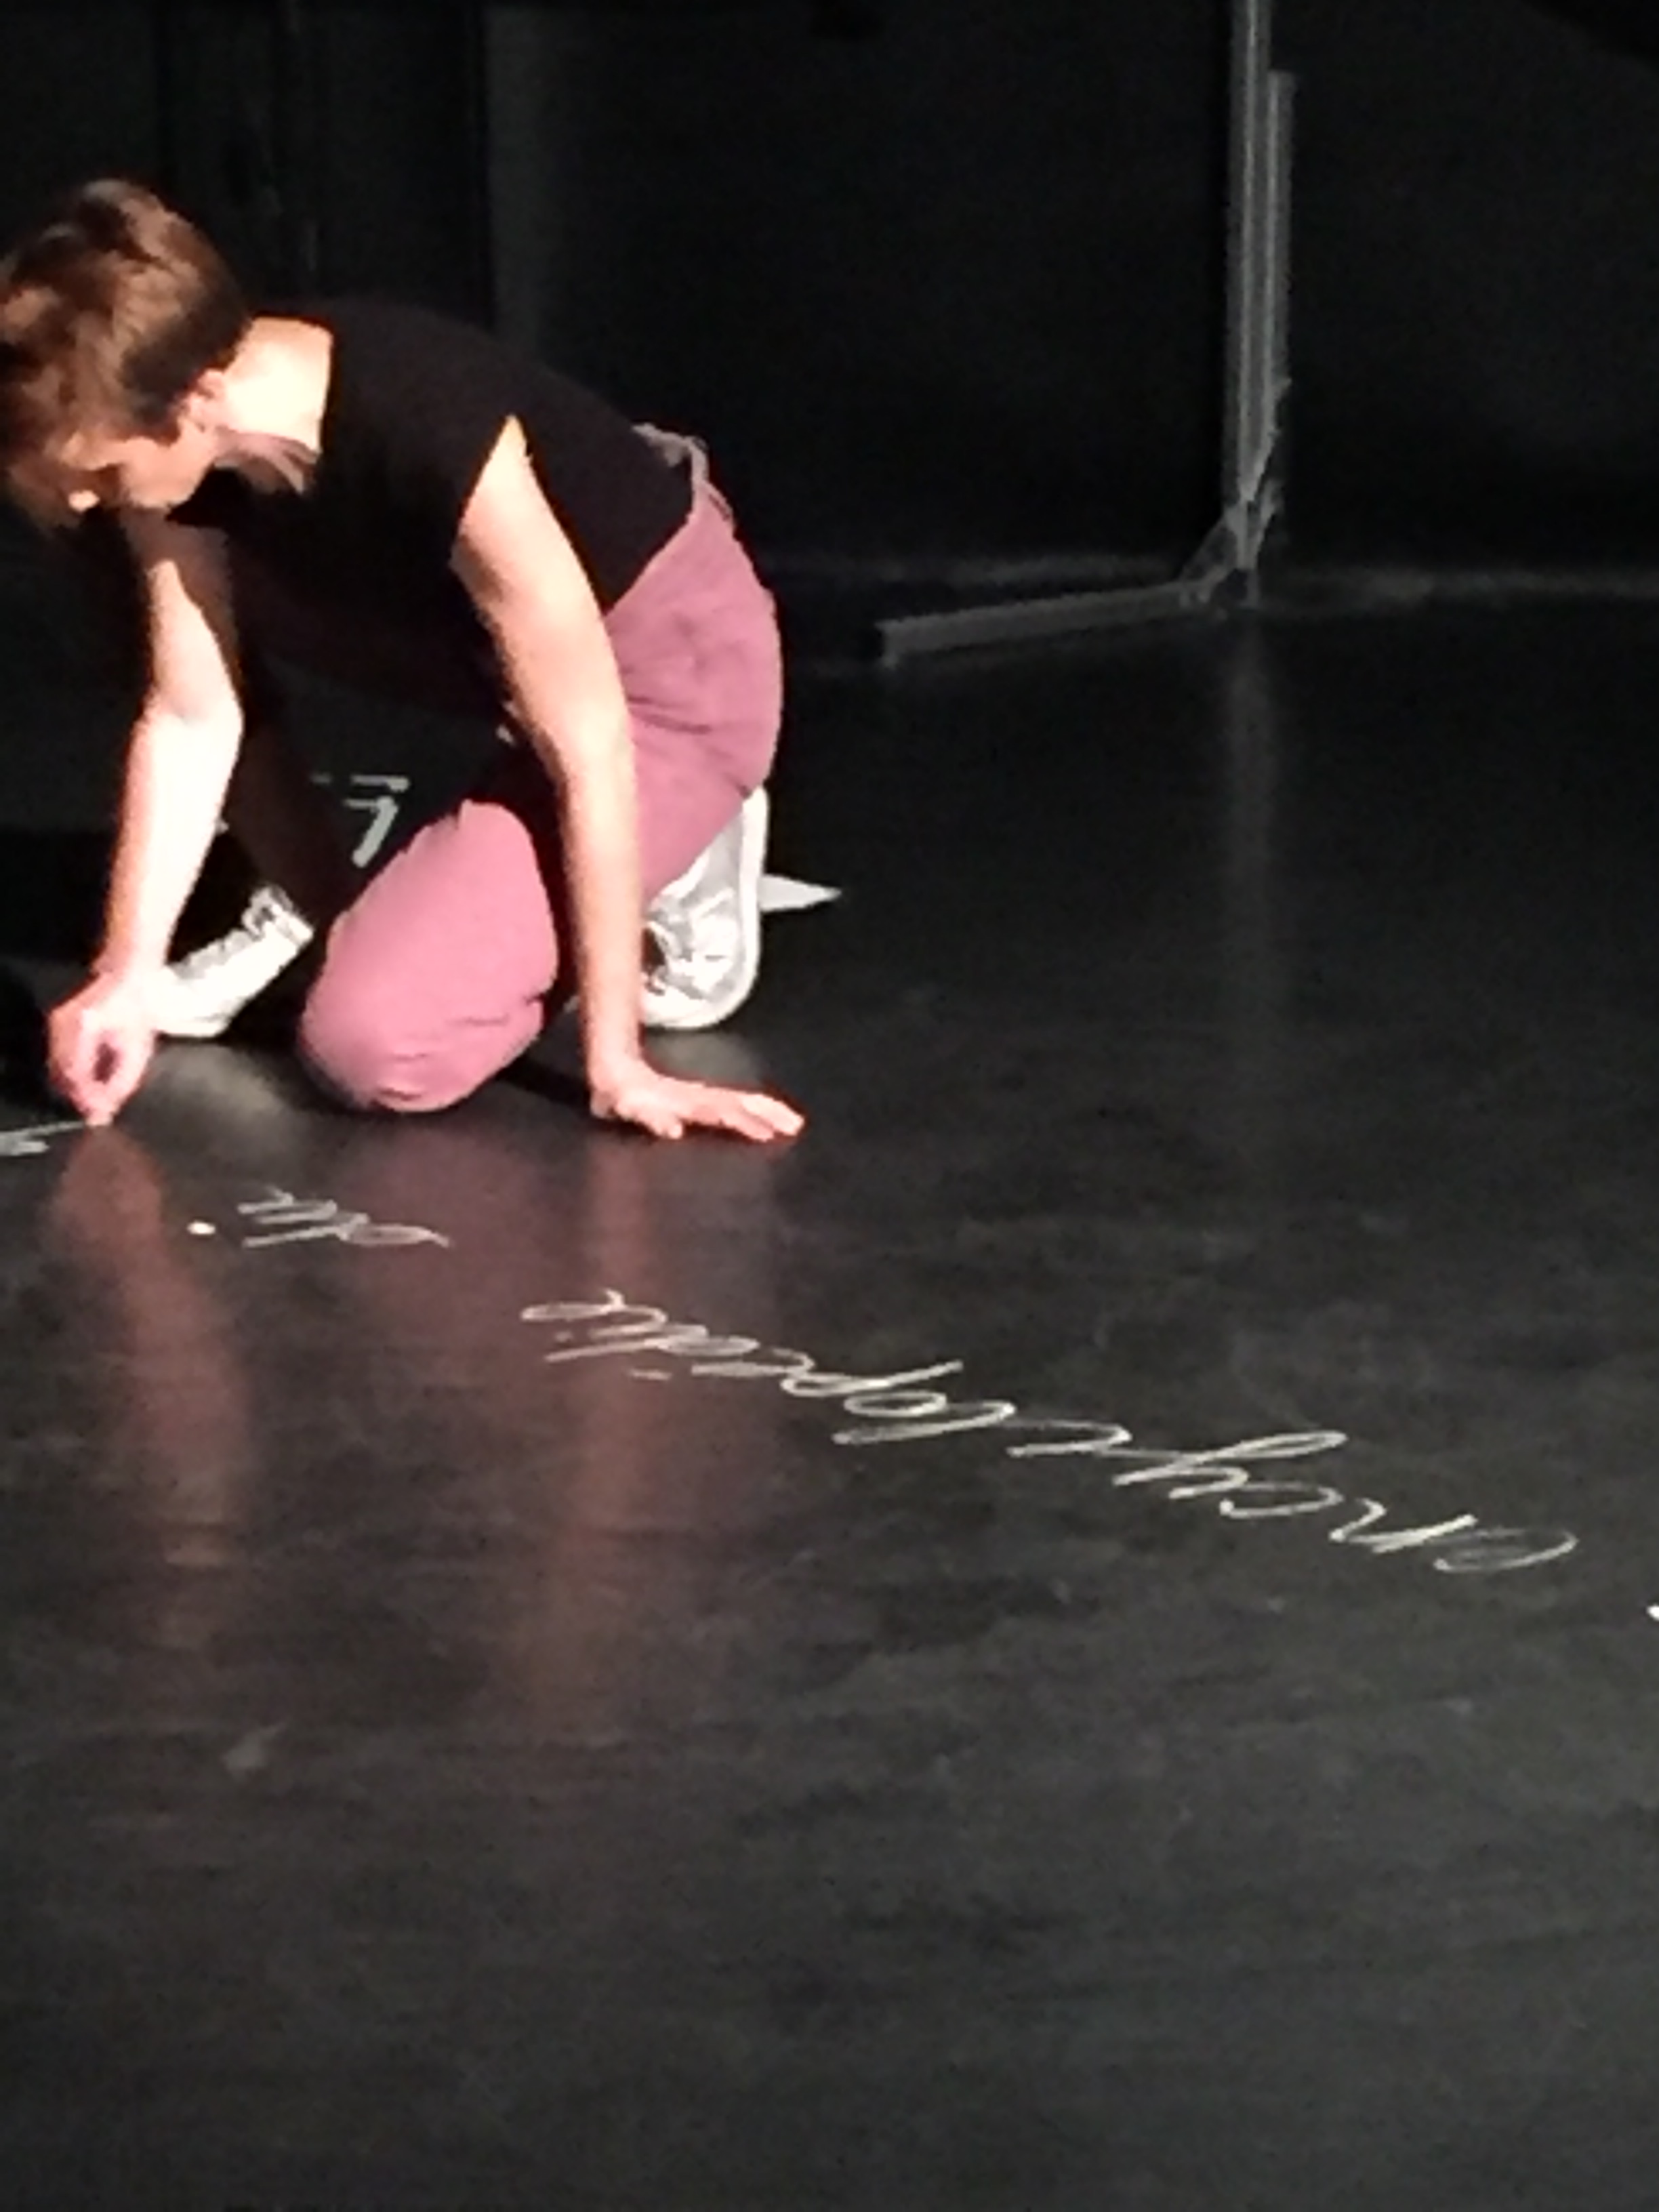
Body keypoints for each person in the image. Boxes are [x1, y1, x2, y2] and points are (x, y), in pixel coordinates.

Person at [0, 179, 804, 1144]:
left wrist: (617, 1062)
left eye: (103, 471)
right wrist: (125, 975)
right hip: (470, 644)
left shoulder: (428, 419)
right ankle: (352, 917)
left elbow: (591, 740)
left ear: (198, 401)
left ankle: (682, 848)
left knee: (374, 1044)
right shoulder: (181, 429)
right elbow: (194, 712)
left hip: (656, 683)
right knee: (126, 588)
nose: (85, 498)